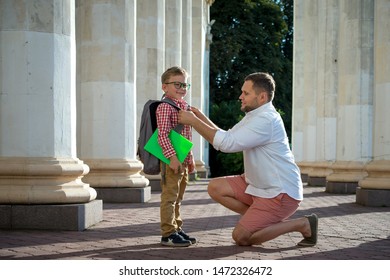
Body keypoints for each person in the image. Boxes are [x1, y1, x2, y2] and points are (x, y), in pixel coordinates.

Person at [178, 72, 318, 247]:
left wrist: (193, 122)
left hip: (279, 192)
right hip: (257, 186)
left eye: (246, 93)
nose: (240, 96)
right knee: (215, 187)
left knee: (241, 237)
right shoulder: (254, 116)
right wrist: (200, 117)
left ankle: (303, 224)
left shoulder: (266, 120)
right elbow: (227, 136)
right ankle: (258, 219)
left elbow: (227, 145)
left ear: (262, 97)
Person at [157, 66, 197, 247]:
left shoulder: (184, 107)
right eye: (177, 84)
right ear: (165, 87)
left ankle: (177, 228)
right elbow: (163, 135)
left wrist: (191, 158)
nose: (182, 87)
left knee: (178, 198)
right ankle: (168, 233)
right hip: (171, 160)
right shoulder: (165, 107)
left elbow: (186, 135)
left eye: (185, 84)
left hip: (182, 159)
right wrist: (172, 158)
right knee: (169, 197)